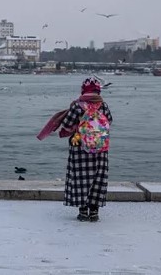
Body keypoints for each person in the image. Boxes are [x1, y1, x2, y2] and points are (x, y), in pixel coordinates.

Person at [58, 77, 113, 222]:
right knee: (97, 178)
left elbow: (66, 124)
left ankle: (83, 211)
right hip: (100, 148)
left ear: (83, 90)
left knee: (81, 178)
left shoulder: (77, 106)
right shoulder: (103, 105)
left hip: (79, 147)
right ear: (98, 91)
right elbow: (109, 121)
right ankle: (94, 212)